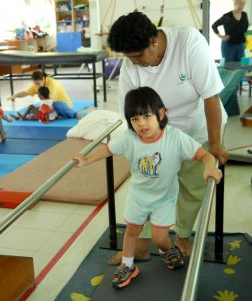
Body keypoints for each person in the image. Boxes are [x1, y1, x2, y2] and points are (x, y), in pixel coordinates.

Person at [106, 11, 229, 264]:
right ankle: (141, 244)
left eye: (138, 56)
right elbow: (129, 113)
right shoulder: (132, 65)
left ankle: (182, 237)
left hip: (198, 126)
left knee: (192, 186)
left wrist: (215, 145)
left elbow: (211, 96)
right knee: (151, 182)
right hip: (157, 134)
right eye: (129, 58)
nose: (135, 62)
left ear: (153, 41)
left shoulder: (189, 43)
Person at [74, 87, 223, 288]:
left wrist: (209, 167)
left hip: (165, 197)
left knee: (159, 238)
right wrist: (86, 160)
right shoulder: (129, 138)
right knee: (132, 230)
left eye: (146, 115)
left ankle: (167, 250)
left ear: (161, 113)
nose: (141, 123)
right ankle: (128, 265)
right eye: (135, 119)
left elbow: (204, 155)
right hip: (139, 195)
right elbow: (108, 149)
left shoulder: (175, 138)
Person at [7, 70, 81, 119]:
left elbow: (51, 102)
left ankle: (74, 114)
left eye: (38, 83)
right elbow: (26, 92)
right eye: (35, 83)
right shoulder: (37, 84)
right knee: (32, 107)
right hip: (49, 106)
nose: (37, 85)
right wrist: (15, 95)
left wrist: (41, 111)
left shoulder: (52, 83)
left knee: (55, 105)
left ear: (43, 79)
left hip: (61, 105)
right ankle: (23, 117)